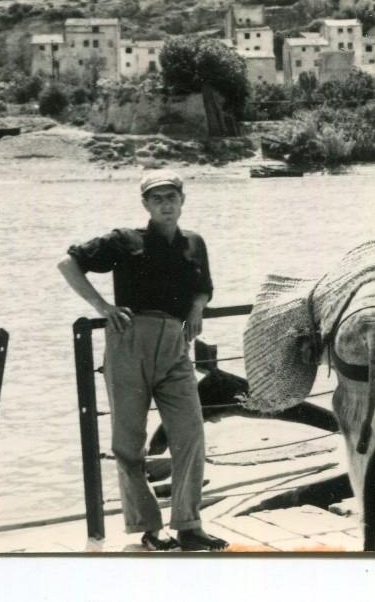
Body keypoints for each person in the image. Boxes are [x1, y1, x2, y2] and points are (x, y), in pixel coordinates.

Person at [58, 169, 228, 552]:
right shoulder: (125, 240)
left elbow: (203, 287)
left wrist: (197, 308)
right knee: (128, 442)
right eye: (157, 199)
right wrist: (101, 305)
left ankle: (188, 525)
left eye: (171, 197)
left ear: (182, 201)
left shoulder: (194, 242)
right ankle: (149, 528)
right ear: (146, 205)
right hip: (129, 342)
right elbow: (68, 264)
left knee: (190, 434)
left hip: (175, 345)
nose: (165, 204)